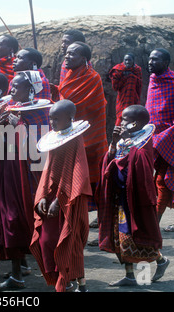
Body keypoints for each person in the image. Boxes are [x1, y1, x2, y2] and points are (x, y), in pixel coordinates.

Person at [0, 71, 50, 291]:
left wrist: (19, 126)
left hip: (28, 177)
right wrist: (3, 126)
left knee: (19, 219)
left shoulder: (41, 112)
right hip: (8, 171)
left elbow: (40, 148)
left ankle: (20, 274)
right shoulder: (9, 109)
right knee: (8, 218)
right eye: (11, 86)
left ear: (31, 90)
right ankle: (20, 267)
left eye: (16, 87)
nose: (11, 90)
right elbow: (1, 141)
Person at [96, 105, 170, 286]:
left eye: (124, 120)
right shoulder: (122, 139)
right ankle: (130, 275)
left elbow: (141, 163)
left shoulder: (143, 142)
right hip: (120, 195)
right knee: (121, 235)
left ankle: (159, 262)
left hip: (135, 199)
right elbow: (110, 159)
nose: (120, 123)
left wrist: (127, 142)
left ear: (135, 123)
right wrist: (114, 142)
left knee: (138, 235)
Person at [30, 100, 92, 292]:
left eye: (56, 119)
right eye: (50, 118)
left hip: (71, 198)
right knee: (47, 240)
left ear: (70, 119)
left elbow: (78, 172)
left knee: (70, 242)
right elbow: (49, 169)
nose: (52, 122)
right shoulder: (55, 138)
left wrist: (61, 199)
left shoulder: (76, 140)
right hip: (51, 197)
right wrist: (42, 196)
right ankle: (63, 279)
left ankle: (80, 285)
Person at [59, 42, 108, 213]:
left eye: (72, 54)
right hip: (74, 137)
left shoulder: (92, 78)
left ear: (84, 59)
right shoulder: (70, 75)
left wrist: (58, 105)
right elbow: (67, 101)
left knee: (97, 183)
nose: (67, 56)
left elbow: (79, 106)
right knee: (75, 181)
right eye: (67, 53)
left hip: (91, 138)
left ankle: (104, 227)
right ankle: (80, 220)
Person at [145, 48, 174, 232]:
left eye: (155, 60)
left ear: (165, 63)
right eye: (149, 59)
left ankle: (153, 226)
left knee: (162, 181)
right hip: (153, 136)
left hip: (170, 138)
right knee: (168, 178)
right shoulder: (154, 80)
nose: (150, 62)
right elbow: (152, 111)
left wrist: (164, 138)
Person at [109, 53, 142, 126]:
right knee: (121, 117)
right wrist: (124, 77)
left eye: (129, 60)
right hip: (122, 99)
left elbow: (139, 86)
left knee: (134, 117)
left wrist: (132, 76)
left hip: (134, 98)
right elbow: (115, 87)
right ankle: (118, 135)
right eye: (125, 60)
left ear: (133, 61)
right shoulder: (118, 70)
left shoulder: (137, 70)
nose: (127, 62)